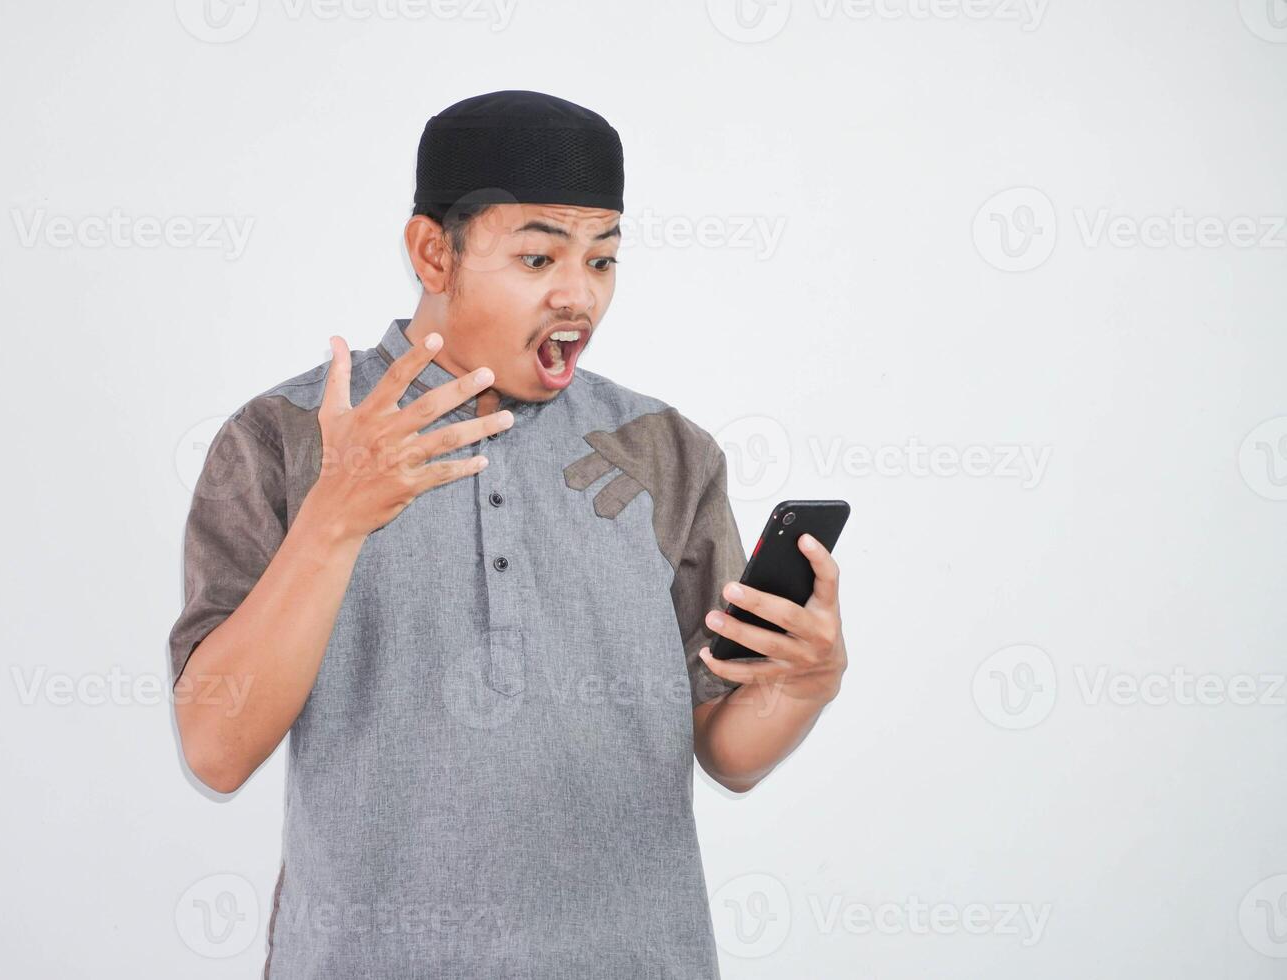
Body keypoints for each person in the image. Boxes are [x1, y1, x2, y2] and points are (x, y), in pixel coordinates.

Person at [168, 89, 848, 979]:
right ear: (431, 252)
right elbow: (215, 752)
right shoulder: (285, 438)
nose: (579, 294)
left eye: (603, 260)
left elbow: (726, 747)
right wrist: (334, 519)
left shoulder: (665, 453)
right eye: (538, 257)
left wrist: (807, 683)